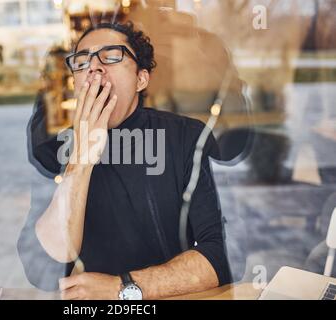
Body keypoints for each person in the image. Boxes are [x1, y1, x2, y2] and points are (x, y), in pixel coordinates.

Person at [18, 21, 231, 300]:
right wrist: (81, 159)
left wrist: (123, 287)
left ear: (141, 79)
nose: (94, 67)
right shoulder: (56, 150)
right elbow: (42, 269)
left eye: (111, 55)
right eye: (82, 62)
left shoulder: (185, 137)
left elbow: (218, 257)